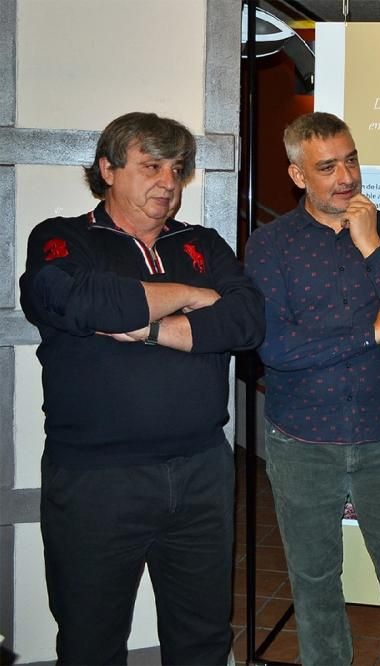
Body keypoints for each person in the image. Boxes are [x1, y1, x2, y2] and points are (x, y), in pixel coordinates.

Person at [19, 111, 265, 665]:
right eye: (151, 166)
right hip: (96, 479)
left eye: (177, 169)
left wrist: (152, 325)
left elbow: (248, 322)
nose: (168, 183)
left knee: (202, 638)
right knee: (90, 640)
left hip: (202, 471)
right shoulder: (62, 238)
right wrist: (195, 295)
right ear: (107, 168)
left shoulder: (203, 243)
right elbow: (82, 302)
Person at [245, 112, 380, 666]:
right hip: (301, 441)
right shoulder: (270, 246)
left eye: (351, 159)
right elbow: (278, 352)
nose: (346, 177)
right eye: (327, 166)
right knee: (315, 584)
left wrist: (372, 246)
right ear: (296, 174)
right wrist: (375, 330)